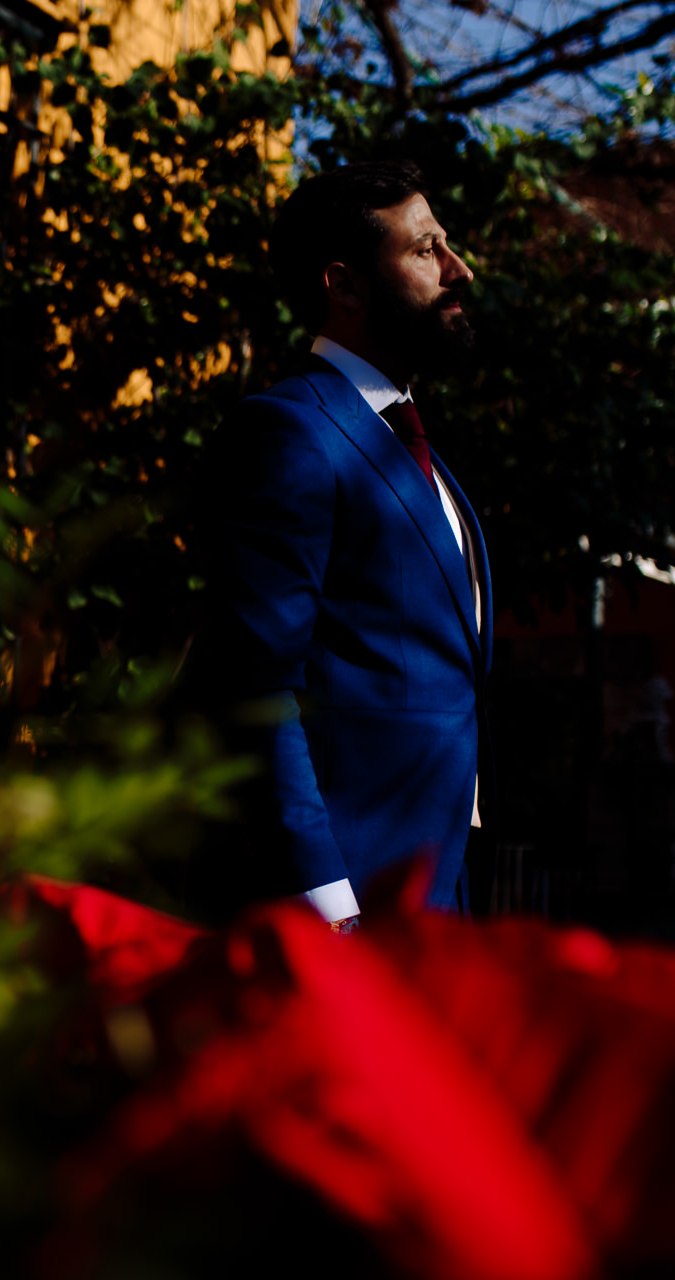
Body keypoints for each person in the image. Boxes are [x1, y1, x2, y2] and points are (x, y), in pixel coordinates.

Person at [192, 161, 489, 930]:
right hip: (342, 911)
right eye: (426, 251)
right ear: (345, 285)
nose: (459, 271)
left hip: (429, 906)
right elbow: (254, 691)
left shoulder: (426, 457)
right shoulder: (291, 431)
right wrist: (329, 910)